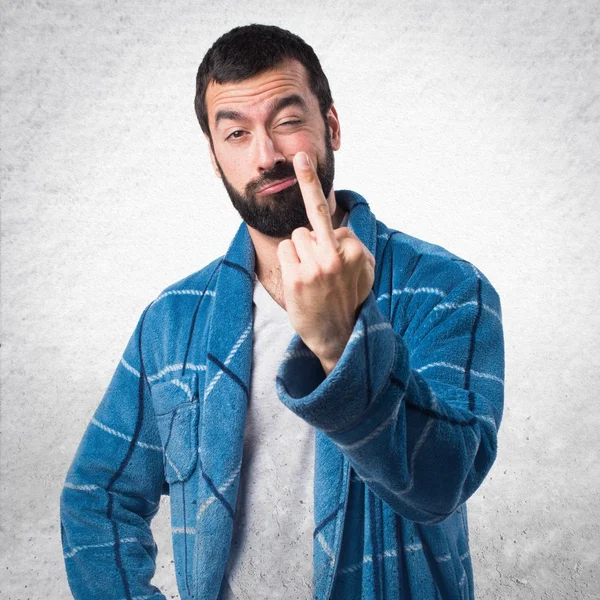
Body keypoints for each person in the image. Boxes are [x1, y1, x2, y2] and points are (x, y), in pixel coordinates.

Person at [60, 24, 505, 600]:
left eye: (287, 121)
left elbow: (444, 481)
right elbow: (98, 497)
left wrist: (340, 341)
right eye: (237, 133)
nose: (265, 156)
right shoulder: (171, 323)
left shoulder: (448, 291)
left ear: (332, 127)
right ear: (215, 158)